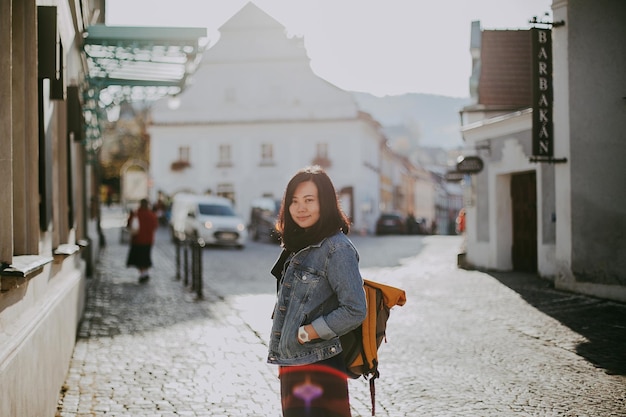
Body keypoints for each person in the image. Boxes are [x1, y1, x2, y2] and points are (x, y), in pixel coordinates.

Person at [267, 166, 367, 417]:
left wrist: (308, 333)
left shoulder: (336, 248)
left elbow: (355, 309)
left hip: (318, 365)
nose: (300, 208)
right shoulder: (299, 244)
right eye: (294, 201)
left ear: (325, 203)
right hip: (292, 363)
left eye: (309, 200)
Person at [126, 198, 159, 283]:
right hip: (148, 241)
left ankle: (143, 274)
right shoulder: (151, 215)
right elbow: (155, 226)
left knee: (139, 258)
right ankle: (145, 273)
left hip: (137, 240)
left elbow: (129, 224)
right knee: (146, 257)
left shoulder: (136, 214)